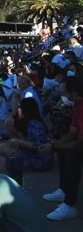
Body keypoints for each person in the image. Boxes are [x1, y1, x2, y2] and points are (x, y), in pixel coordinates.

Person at [39, 75, 83, 221]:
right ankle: (64, 190)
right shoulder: (76, 105)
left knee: (73, 154)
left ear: (74, 94)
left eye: (64, 93)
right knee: (63, 149)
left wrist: (54, 147)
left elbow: (79, 142)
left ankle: (70, 205)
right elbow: (72, 133)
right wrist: (54, 145)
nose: (62, 95)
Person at [0, 97, 53, 184]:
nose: (18, 109)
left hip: (40, 160)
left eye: (20, 107)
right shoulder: (28, 122)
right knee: (2, 150)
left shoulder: (34, 124)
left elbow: (39, 145)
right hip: (33, 155)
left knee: (2, 154)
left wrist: (18, 141)